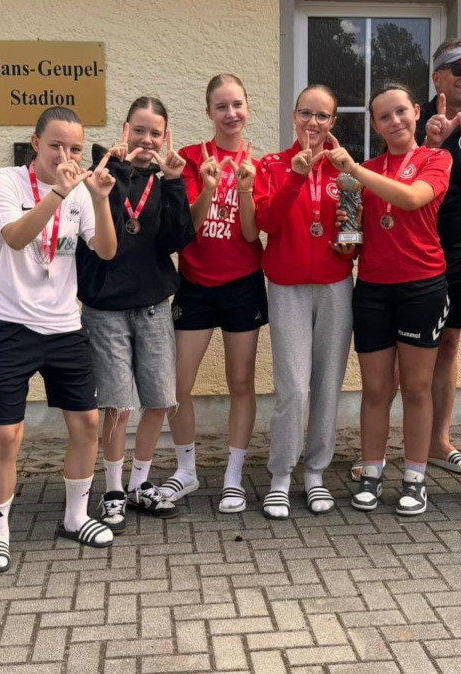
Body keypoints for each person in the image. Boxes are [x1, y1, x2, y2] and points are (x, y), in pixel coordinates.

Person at [348, 38, 461, 482]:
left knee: (443, 353)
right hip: (385, 273)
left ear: (413, 109)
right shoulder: (418, 137)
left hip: (449, 251)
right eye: (457, 69)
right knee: (382, 379)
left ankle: (434, 447)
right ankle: (377, 456)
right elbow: (378, 200)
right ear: (437, 79)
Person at [0, 107, 118, 573]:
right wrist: (61, 191)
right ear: (35, 143)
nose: (66, 155)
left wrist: (98, 199)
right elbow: (16, 238)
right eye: (56, 145)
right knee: (6, 434)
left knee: (87, 425)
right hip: (8, 322)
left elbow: (106, 251)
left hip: (62, 325)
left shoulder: (81, 192)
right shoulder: (6, 181)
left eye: (75, 148)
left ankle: (75, 517)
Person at [327, 83, 452, 516]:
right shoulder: (370, 167)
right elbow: (357, 241)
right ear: (375, 124)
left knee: (417, 388)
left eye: (401, 111)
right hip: (374, 289)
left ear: (416, 112)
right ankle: (373, 471)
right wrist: (347, 234)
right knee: (376, 389)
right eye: (385, 116)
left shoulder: (437, 159)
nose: (395, 121)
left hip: (422, 287)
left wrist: (356, 173)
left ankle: (415, 478)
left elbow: (413, 198)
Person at [77, 96, 194, 533]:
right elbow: (95, 216)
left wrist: (177, 181)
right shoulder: (102, 173)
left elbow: (177, 239)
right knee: (119, 406)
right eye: (139, 130)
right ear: (125, 130)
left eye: (155, 133)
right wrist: (108, 168)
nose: (147, 140)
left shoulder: (164, 181)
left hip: (152, 307)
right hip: (105, 309)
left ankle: (139, 484)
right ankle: (111, 490)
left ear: (166, 138)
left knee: (160, 400)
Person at [164, 74, 265, 513]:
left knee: (240, 382)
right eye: (221, 106)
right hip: (196, 283)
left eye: (237, 105)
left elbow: (248, 231)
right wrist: (206, 186)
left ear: (247, 108)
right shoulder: (189, 158)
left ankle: (233, 476)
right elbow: (188, 228)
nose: (230, 114)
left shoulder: (259, 164)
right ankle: (186, 471)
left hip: (243, 283)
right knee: (177, 384)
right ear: (209, 113)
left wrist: (244, 188)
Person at [254, 85, 356, 519]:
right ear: (294, 116)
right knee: (294, 387)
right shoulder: (273, 165)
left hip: (335, 285)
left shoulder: (347, 170)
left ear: (333, 122)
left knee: (328, 385)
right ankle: (280, 475)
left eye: (322, 116)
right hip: (287, 285)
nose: (313, 123)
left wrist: (346, 245)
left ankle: (314, 473)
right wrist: (296, 176)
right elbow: (266, 222)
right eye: (305, 114)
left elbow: (354, 238)